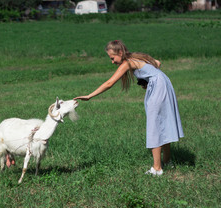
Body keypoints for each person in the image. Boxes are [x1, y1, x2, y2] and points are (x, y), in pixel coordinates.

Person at [74, 40, 184, 176]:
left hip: (158, 88)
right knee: (163, 123)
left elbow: (109, 83)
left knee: (155, 125)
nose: (112, 62)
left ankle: (157, 168)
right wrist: (148, 79)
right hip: (164, 84)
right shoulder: (136, 57)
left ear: (120, 53)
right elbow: (158, 63)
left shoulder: (128, 62)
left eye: (112, 58)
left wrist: (89, 96)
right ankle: (167, 161)